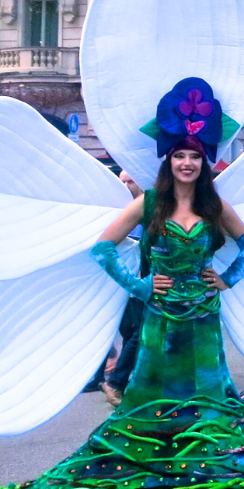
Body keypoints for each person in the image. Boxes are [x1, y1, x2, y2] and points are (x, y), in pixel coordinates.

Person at [0, 80, 244, 489]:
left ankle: (199, 467)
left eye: (195, 156)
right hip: (160, 318)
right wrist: (139, 285)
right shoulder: (150, 203)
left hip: (204, 318)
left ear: (204, 161)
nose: (187, 163)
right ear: (168, 160)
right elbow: (102, 249)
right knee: (153, 394)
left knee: (207, 394)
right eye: (179, 156)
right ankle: (160, 470)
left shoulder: (213, 205)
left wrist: (227, 279)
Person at [101, 171, 144, 408]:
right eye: (122, 181)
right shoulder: (118, 212)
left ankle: (124, 383)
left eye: (130, 181)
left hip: (141, 287)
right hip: (125, 286)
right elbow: (103, 248)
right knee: (134, 333)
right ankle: (118, 382)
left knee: (137, 333)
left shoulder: (147, 208)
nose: (125, 185)